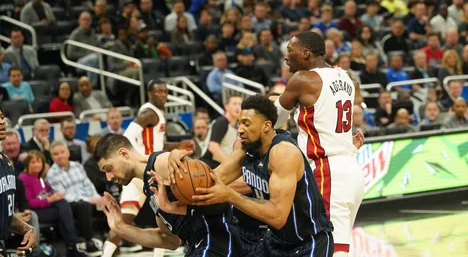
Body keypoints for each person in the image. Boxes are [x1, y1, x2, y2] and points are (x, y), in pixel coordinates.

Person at [169, 95, 334, 256]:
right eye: (239, 123)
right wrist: (178, 160)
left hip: (308, 242)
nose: (240, 129)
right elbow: (207, 181)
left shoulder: (283, 152)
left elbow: (277, 216)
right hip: (277, 240)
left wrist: (230, 196)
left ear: (266, 126)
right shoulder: (245, 148)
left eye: (247, 124)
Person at [274, 31, 365, 255]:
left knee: (333, 249)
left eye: (290, 51)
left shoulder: (302, 80)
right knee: (337, 245)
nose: (286, 58)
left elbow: (274, 118)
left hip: (327, 170)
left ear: (305, 54)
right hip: (351, 168)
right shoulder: (346, 77)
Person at [93, 134, 238, 256]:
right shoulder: (149, 188)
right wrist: (120, 227)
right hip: (197, 245)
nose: (109, 177)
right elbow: (168, 240)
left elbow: (212, 183)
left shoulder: (160, 163)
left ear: (124, 154)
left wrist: (174, 154)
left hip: (217, 238)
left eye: (109, 168)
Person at [103, 79, 192, 257]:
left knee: (125, 219)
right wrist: (136, 159)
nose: (163, 95)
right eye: (158, 92)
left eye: (165, 92)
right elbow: (127, 135)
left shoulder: (155, 113)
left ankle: (105, 255)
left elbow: (156, 144)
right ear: (150, 93)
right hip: (147, 171)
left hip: (141, 172)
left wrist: (177, 144)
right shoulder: (149, 113)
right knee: (166, 215)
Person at [0, 104, 38, 257]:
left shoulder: (5, 161)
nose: (3, 122)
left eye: (2, 117)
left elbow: (5, 213)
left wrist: (27, 229)